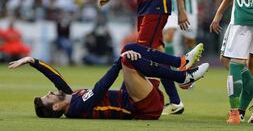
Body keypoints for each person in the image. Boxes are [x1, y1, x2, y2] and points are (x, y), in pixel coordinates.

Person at [8, 43, 208, 120]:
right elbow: (101, 87)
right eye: (48, 98)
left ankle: (181, 63)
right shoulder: (76, 108)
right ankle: (184, 77)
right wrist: (118, 64)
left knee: (130, 48)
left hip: (133, 96)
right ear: (56, 107)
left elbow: (55, 77)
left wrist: (33, 61)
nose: (50, 93)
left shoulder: (70, 98)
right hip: (142, 107)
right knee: (126, 58)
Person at [162, 0, 205, 114]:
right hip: (171, 10)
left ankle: (187, 74)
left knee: (190, 44)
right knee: (168, 37)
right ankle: (174, 71)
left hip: (189, 11)